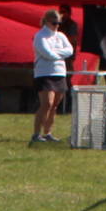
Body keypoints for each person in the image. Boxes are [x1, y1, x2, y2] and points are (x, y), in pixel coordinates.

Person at [31, 8, 73, 144]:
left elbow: (70, 50)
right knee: (46, 104)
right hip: (44, 73)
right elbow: (47, 53)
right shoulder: (40, 36)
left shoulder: (60, 36)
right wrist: (59, 54)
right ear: (47, 21)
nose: (57, 26)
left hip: (60, 72)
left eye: (59, 23)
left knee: (55, 105)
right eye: (54, 23)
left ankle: (48, 132)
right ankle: (36, 134)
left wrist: (57, 53)